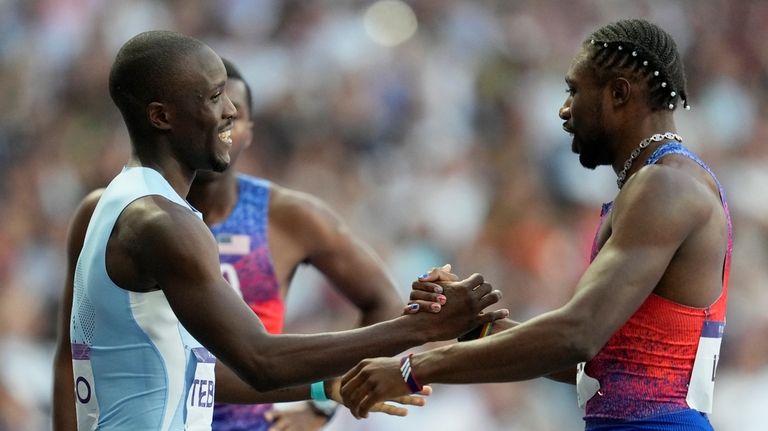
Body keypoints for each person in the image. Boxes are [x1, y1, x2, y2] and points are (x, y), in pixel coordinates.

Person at [52, 30, 507, 431]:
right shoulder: (163, 223)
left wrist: (325, 390)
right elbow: (261, 361)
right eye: (213, 98)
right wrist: (422, 329)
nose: (231, 111)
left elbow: (200, 372)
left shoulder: (117, 202)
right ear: (161, 117)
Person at [340, 18, 732, 431]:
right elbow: (597, 366)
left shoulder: (664, 186)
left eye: (574, 91)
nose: (564, 110)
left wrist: (412, 369)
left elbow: (576, 334)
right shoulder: (661, 184)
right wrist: (476, 326)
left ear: (618, 93)